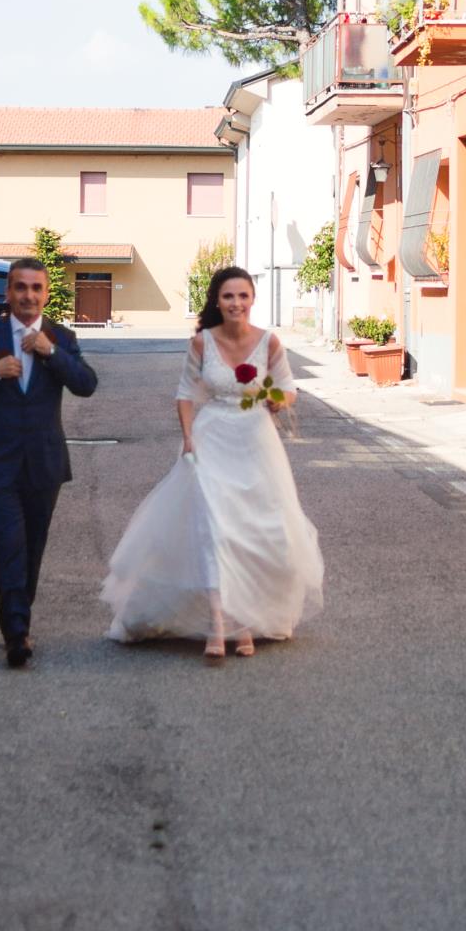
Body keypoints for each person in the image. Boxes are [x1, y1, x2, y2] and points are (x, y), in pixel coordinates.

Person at [103, 264, 323, 661]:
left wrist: (277, 399)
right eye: (228, 296)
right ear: (217, 301)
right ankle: (221, 626)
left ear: (253, 299)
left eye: (242, 296)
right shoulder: (202, 343)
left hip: (256, 441)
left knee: (258, 531)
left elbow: (288, 388)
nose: (236, 303)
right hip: (212, 438)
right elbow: (185, 393)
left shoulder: (269, 342)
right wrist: (188, 437)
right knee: (214, 531)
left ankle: (246, 621)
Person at [0, 256, 98, 668]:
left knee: (32, 550)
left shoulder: (61, 338)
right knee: (9, 545)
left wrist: (52, 354)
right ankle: (16, 631)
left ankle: (18, 615)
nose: (28, 295)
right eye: (20, 287)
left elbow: (87, 385)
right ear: (9, 293)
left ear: (46, 294)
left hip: (44, 464)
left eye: (36, 288)